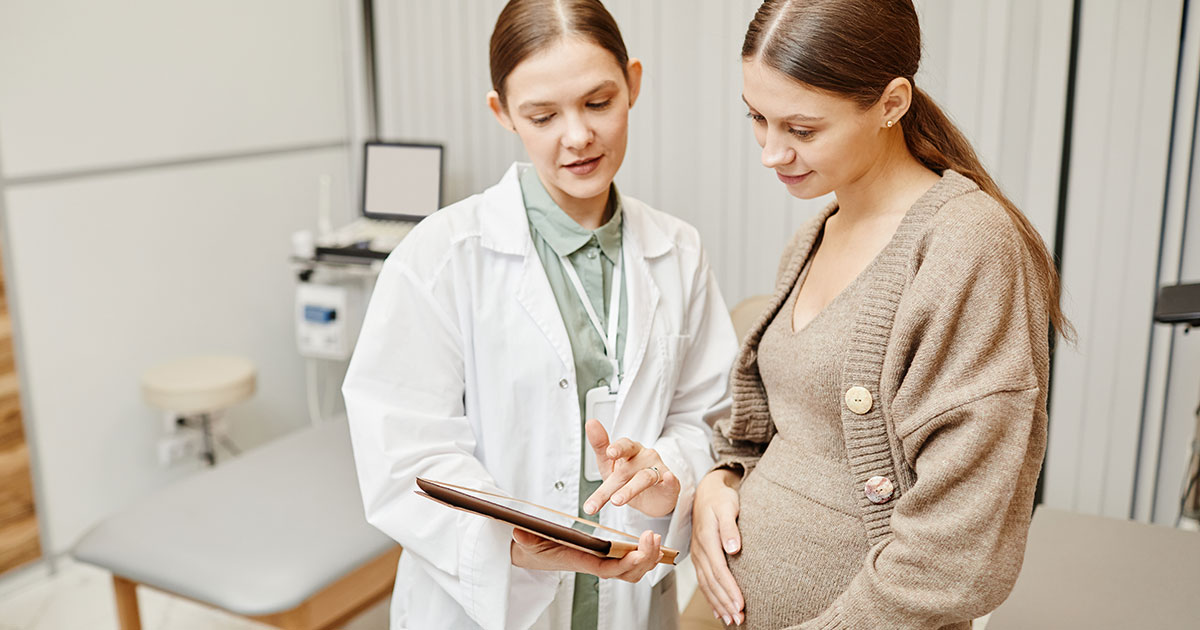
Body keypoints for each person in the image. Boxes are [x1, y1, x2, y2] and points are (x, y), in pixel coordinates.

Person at [342, 1, 738, 629]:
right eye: (543, 115)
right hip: (487, 604)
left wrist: (669, 475)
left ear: (633, 84)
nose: (577, 136)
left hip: (631, 602)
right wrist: (511, 544)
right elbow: (404, 453)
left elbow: (707, 418)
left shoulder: (678, 251)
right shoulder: (442, 257)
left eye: (598, 102)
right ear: (502, 111)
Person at [689, 1, 1073, 628]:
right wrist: (721, 480)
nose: (771, 153)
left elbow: (956, 540)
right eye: (757, 118)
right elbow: (785, 429)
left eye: (802, 130)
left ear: (892, 103)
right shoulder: (813, 235)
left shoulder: (968, 246)